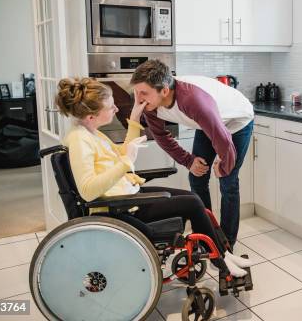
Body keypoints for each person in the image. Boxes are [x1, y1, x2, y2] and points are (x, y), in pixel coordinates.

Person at [55, 77, 252, 277]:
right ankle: (220, 261)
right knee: (193, 203)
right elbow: (88, 191)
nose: (115, 109)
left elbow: (122, 154)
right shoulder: (80, 141)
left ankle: (223, 252)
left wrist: (133, 119)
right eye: (111, 106)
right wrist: (126, 162)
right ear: (91, 116)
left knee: (193, 198)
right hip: (120, 207)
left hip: (125, 195)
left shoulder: (91, 133)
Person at [130, 60, 254, 247]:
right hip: (208, 123)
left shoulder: (192, 100)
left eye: (144, 93)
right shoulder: (150, 105)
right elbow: (162, 137)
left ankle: (226, 242)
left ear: (164, 90)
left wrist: (223, 164)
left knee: (228, 181)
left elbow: (223, 139)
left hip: (236, 121)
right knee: (196, 177)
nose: (138, 98)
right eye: (136, 92)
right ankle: (207, 235)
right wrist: (189, 161)